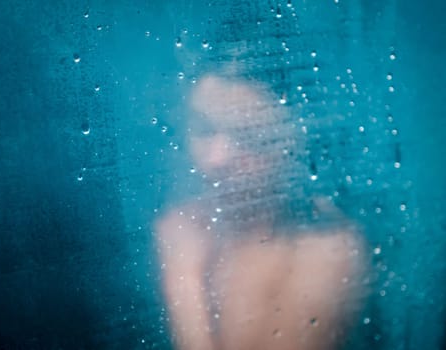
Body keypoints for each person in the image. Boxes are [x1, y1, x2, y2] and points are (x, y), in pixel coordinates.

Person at [156, 75, 366, 350]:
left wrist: (184, 278)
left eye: (248, 137)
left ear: (293, 142)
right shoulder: (183, 223)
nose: (217, 159)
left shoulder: (326, 244)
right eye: (204, 129)